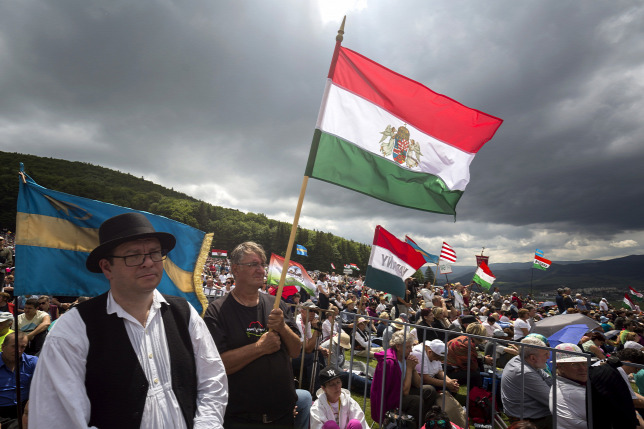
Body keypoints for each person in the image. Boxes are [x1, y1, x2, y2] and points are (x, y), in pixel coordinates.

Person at [30, 212, 228, 429]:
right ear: (107, 267)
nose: (148, 263)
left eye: (154, 253)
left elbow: (212, 382)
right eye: (133, 256)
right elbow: (57, 419)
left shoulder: (184, 312)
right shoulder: (73, 329)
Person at [204, 241, 301, 428]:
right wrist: (259, 348)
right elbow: (217, 364)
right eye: (253, 264)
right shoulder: (217, 312)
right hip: (241, 419)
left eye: (262, 264)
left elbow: (296, 350)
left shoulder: (276, 304)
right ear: (235, 269)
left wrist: (282, 327)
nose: (261, 270)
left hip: (283, 416)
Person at [371, 330, 435, 429]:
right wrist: (409, 368)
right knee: (416, 401)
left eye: (411, 347)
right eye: (408, 347)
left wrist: (413, 369)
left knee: (429, 390)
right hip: (390, 398)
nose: (411, 350)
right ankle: (407, 425)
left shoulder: (405, 357)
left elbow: (418, 385)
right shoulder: (389, 362)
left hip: (400, 390)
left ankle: (420, 424)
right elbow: (404, 392)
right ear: (398, 346)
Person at [501, 337, 553, 429]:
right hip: (530, 419)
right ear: (532, 358)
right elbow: (552, 401)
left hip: (528, 412)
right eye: (545, 354)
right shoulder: (525, 372)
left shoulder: (521, 359)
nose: (548, 357)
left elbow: (548, 379)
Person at [0, 332, 37, 427]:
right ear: (3, 347)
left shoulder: (32, 362)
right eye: (14, 347)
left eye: (23, 347)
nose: (19, 351)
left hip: (24, 410)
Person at [549, 343, 588, 429]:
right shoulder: (575, 392)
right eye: (575, 364)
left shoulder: (558, 383)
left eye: (584, 363)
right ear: (560, 367)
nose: (583, 368)